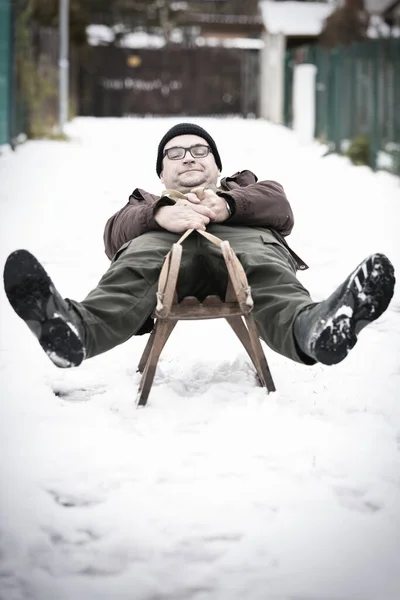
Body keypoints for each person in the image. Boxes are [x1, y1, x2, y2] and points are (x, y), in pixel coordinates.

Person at [3, 123, 396, 371]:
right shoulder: (144, 203)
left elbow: (281, 209)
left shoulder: (245, 188)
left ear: (217, 165)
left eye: (199, 150)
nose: (187, 157)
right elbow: (112, 235)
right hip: (166, 260)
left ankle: (315, 329)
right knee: (134, 265)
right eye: (174, 153)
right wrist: (158, 215)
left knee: (267, 268)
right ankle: (74, 329)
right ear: (162, 172)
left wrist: (228, 205)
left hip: (238, 247)